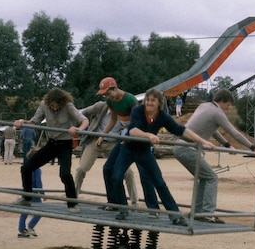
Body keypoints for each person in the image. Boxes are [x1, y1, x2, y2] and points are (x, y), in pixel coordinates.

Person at [111, 87, 214, 225]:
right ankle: (123, 209)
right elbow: (133, 130)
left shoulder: (162, 116)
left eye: (152, 101)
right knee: (116, 177)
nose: (149, 103)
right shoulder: (137, 111)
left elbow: (181, 130)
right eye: (147, 100)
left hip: (144, 152)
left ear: (159, 103)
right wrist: (149, 135)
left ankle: (175, 215)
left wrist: (202, 142)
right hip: (128, 149)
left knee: (159, 182)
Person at [174, 88, 255, 223]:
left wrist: (227, 145)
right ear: (222, 101)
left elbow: (213, 131)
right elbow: (235, 133)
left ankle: (198, 212)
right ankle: (208, 213)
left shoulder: (204, 106)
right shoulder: (217, 112)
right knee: (211, 178)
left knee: (203, 178)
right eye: (227, 105)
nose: (227, 109)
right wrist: (253, 147)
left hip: (180, 146)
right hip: (188, 148)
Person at [13, 88, 88, 213]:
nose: (53, 108)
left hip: (65, 144)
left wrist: (78, 129)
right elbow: (34, 120)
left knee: (64, 174)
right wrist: (23, 122)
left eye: (56, 106)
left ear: (61, 102)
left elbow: (84, 120)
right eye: (51, 106)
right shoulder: (44, 104)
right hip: (52, 143)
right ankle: (26, 198)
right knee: (26, 168)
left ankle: (73, 204)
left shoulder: (68, 106)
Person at [97, 77, 159, 212]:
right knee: (108, 168)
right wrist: (103, 135)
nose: (108, 97)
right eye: (105, 95)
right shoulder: (110, 102)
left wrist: (128, 135)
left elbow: (137, 121)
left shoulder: (130, 100)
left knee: (145, 173)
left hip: (138, 136)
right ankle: (115, 202)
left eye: (109, 93)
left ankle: (153, 208)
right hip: (125, 137)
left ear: (115, 88)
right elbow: (113, 119)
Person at [75, 100, 139, 206]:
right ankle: (73, 197)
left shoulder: (125, 111)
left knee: (128, 172)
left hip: (114, 143)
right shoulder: (100, 106)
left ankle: (134, 201)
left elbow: (132, 125)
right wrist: (83, 125)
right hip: (96, 141)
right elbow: (81, 113)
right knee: (81, 168)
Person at [17, 133, 42, 237]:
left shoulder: (26, 167)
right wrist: (42, 193)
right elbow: (38, 182)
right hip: (34, 192)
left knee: (25, 210)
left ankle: (21, 228)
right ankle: (31, 226)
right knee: (40, 211)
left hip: (26, 191)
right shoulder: (37, 169)